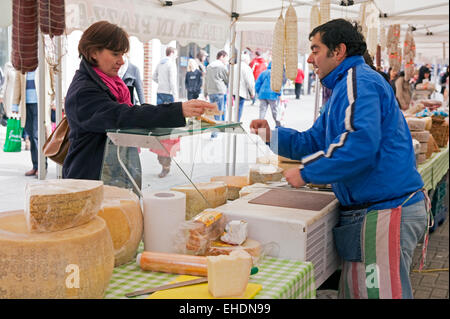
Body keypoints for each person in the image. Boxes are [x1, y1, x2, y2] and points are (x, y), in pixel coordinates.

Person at [250, 19, 428, 299]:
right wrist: (272, 135)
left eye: (316, 49)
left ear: (339, 51)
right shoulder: (341, 89)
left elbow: (359, 143)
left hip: (386, 209)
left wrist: (308, 172)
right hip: (373, 210)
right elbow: (313, 140)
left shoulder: (359, 81)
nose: (310, 58)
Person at [63, 21, 214, 183]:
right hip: (89, 179)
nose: (121, 61)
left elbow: (130, 110)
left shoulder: (110, 83)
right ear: (93, 52)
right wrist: (178, 110)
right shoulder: (84, 90)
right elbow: (122, 116)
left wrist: (179, 111)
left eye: (123, 54)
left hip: (117, 173)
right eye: (115, 54)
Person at [12, 69, 49, 176]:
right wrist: (15, 104)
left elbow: (53, 80)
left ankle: (42, 166)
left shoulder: (44, 60)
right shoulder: (23, 64)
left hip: (40, 103)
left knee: (37, 135)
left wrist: (54, 100)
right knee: (31, 136)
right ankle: (36, 166)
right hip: (26, 104)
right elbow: (17, 85)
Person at [254, 62, 283, 127]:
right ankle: (278, 124)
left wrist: (259, 92)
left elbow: (257, 84)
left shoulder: (263, 73)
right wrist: (279, 94)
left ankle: (260, 124)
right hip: (272, 95)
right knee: (274, 110)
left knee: (262, 110)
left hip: (262, 94)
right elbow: (278, 85)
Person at [205, 50, 229, 121]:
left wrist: (205, 92)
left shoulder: (209, 67)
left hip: (211, 92)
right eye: (226, 58)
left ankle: (218, 129)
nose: (226, 60)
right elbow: (227, 79)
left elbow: (206, 80)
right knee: (220, 112)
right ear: (222, 57)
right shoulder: (222, 67)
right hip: (220, 91)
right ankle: (217, 131)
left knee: (214, 113)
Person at [232, 52, 255, 121]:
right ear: (245, 60)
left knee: (236, 107)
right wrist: (252, 93)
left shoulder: (234, 66)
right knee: (239, 108)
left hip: (233, 90)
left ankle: (235, 121)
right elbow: (250, 82)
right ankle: (236, 122)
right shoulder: (247, 68)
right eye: (248, 60)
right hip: (241, 91)